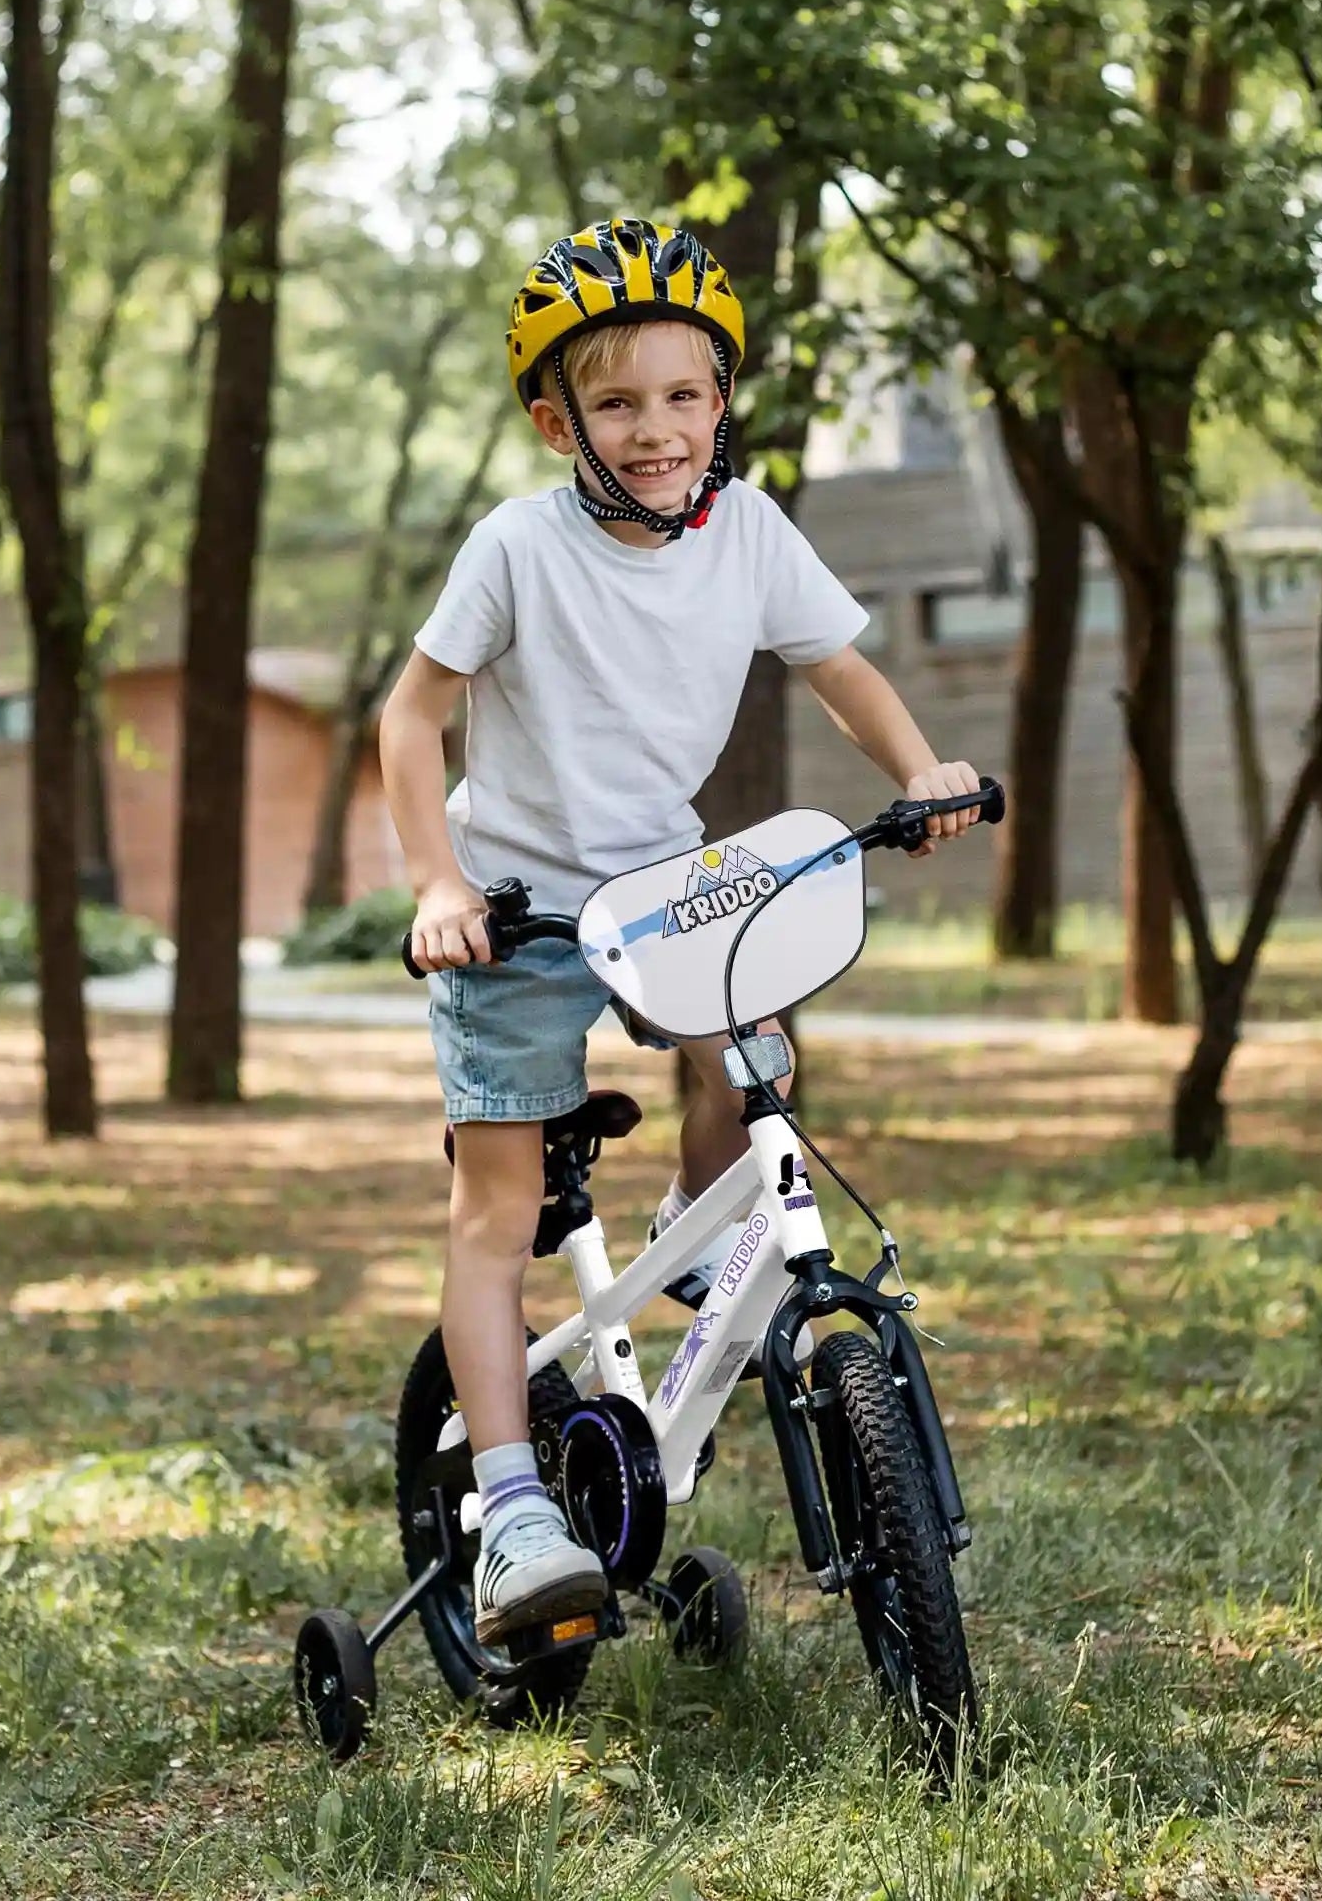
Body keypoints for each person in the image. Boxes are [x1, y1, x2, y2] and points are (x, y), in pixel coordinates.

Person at [378, 216, 984, 1647]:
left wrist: (919, 770)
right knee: (494, 1210)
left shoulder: (753, 528)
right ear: (557, 420)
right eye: (617, 402)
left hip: (661, 889)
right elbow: (410, 718)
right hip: (516, 907)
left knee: (762, 1057)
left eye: (683, 396)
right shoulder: (517, 546)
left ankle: (701, 1246)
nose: (656, 429)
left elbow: (838, 668)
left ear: (722, 404)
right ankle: (518, 1502)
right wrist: (436, 882)